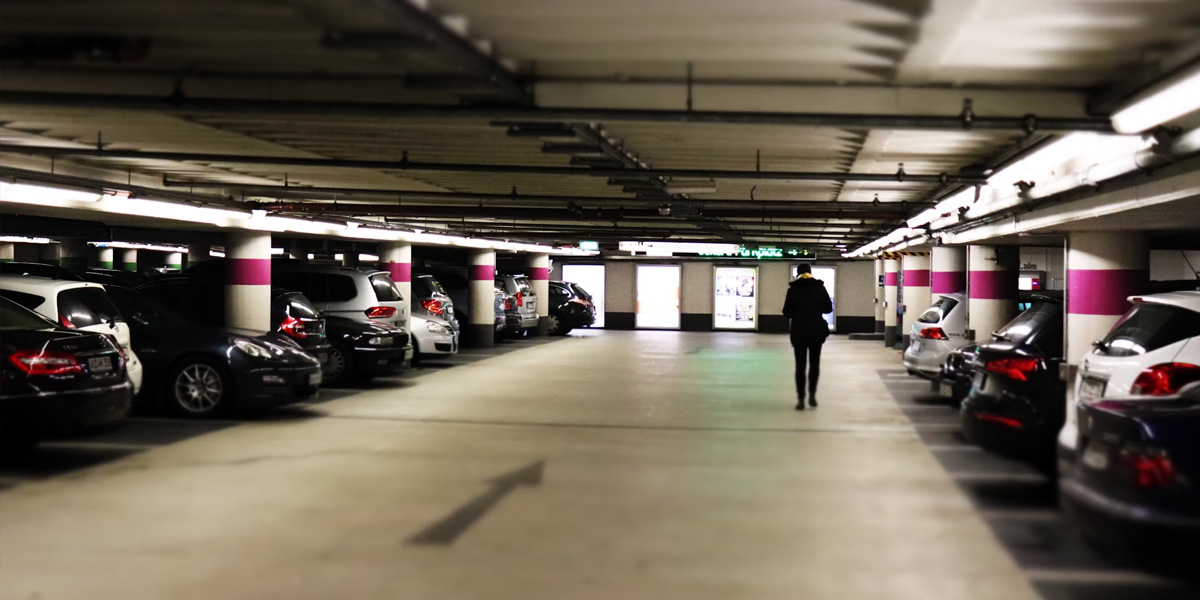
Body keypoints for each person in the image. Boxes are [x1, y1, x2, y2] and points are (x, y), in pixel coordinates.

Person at [782, 264, 833, 410]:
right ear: (810, 273)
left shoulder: (792, 290)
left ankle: (800, 399)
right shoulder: (820, 288)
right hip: (816, 331)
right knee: (814, 364)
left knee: (800, 365)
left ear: (798, 273)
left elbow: (786, 312)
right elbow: (828, 308)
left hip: (798, 331)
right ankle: (812, 395)